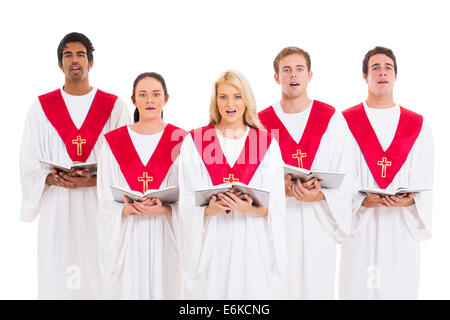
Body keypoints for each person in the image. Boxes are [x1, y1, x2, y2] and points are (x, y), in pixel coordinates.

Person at [20, 32, 130, 299]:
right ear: (60, 64)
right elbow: (28, 159)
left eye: (80, 54)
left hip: (98, 204)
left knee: (99, 275)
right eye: (67, 55)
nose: (74, 60)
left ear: (91, 62)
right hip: (58, 205)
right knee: (59, 274)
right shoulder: (41, 107)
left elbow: (127, 159)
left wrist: (93, 180)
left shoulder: (114, 107)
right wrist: (50, 179)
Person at [178, 70, 288, 299]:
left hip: (251, 240)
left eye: (237, 96)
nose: (230, 104)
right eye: (223, 97)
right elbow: (188, 199)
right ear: (215, 101)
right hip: (211, 240)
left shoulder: (265, 143)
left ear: (246, 100)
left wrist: (247, 208)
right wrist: (211, 209)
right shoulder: (196, 141)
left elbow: (275, 204)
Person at [258, 47, 353, 299]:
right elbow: (252, 177)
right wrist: (282, 190)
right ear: (276, 77)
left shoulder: (331, 118)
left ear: (310, 75)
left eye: (299, 69)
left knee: (317, 285)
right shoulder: (261, 123)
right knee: (278, 287)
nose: (293, 75)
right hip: (278, 222)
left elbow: (347, 174)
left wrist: (320, 196)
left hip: (317, 220)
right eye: (286, 70)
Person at [339, 46, 433, 299]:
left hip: (400, 225)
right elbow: (339, 173)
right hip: (361, 222)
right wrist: (360, 200)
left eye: (388, 67)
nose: (382, 72)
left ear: (395, 75)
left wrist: (411, 198)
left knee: (399, 288)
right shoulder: (345, 123)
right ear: (365, 76)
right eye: (375, 68)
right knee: (358, 287)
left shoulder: (417, 124)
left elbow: (425, 176)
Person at [97, 72, 187, 299]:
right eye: (143, 95)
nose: (149, 100)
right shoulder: (113, 141)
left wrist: (165, 209)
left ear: (166, 99)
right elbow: (104, 194)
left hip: (166, 232)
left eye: (155, 94)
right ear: (133, 99)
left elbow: (191, 194)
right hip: (128, 233)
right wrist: (124, 210)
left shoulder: (182, 140)